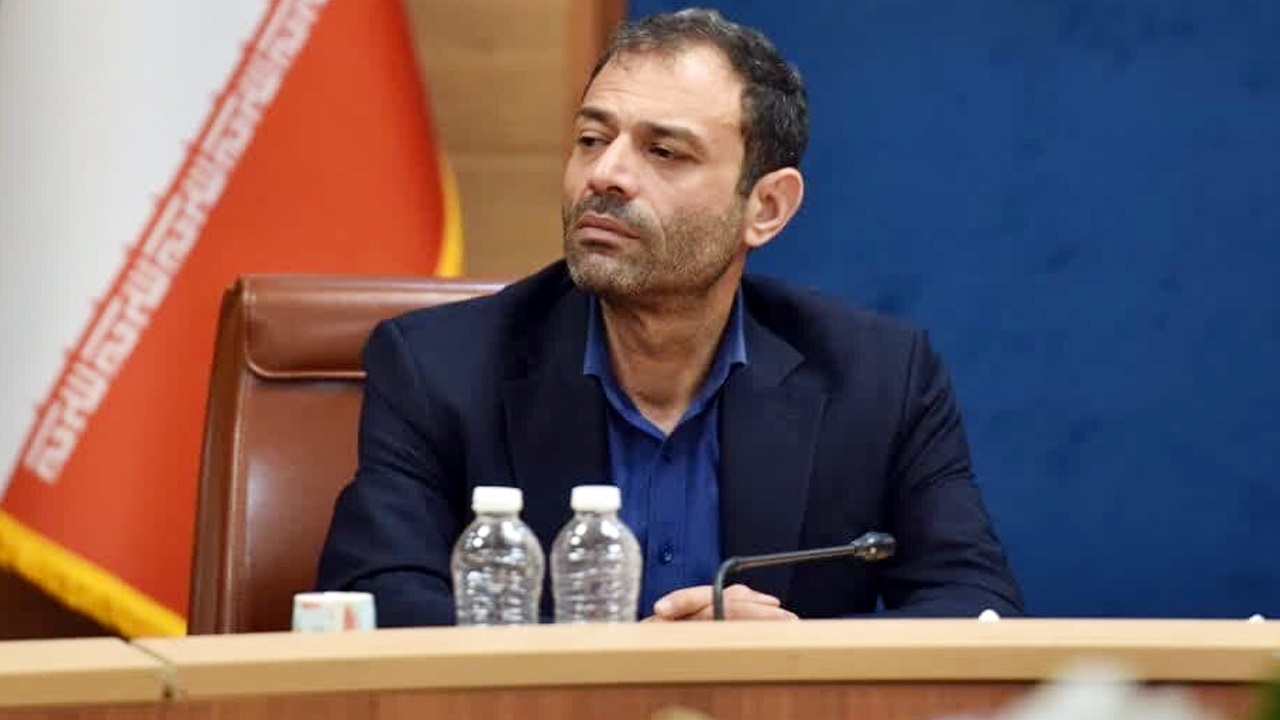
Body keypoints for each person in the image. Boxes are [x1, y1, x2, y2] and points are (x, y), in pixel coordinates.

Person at [315, 8, 1024, 624]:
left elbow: (978, 606)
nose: (605, 175)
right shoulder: (439, 367)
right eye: (592, 139)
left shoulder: (879, 379)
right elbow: (373, 601)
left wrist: (796, 654)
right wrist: (634, 656)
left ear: (766, 207)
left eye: (663, 151)